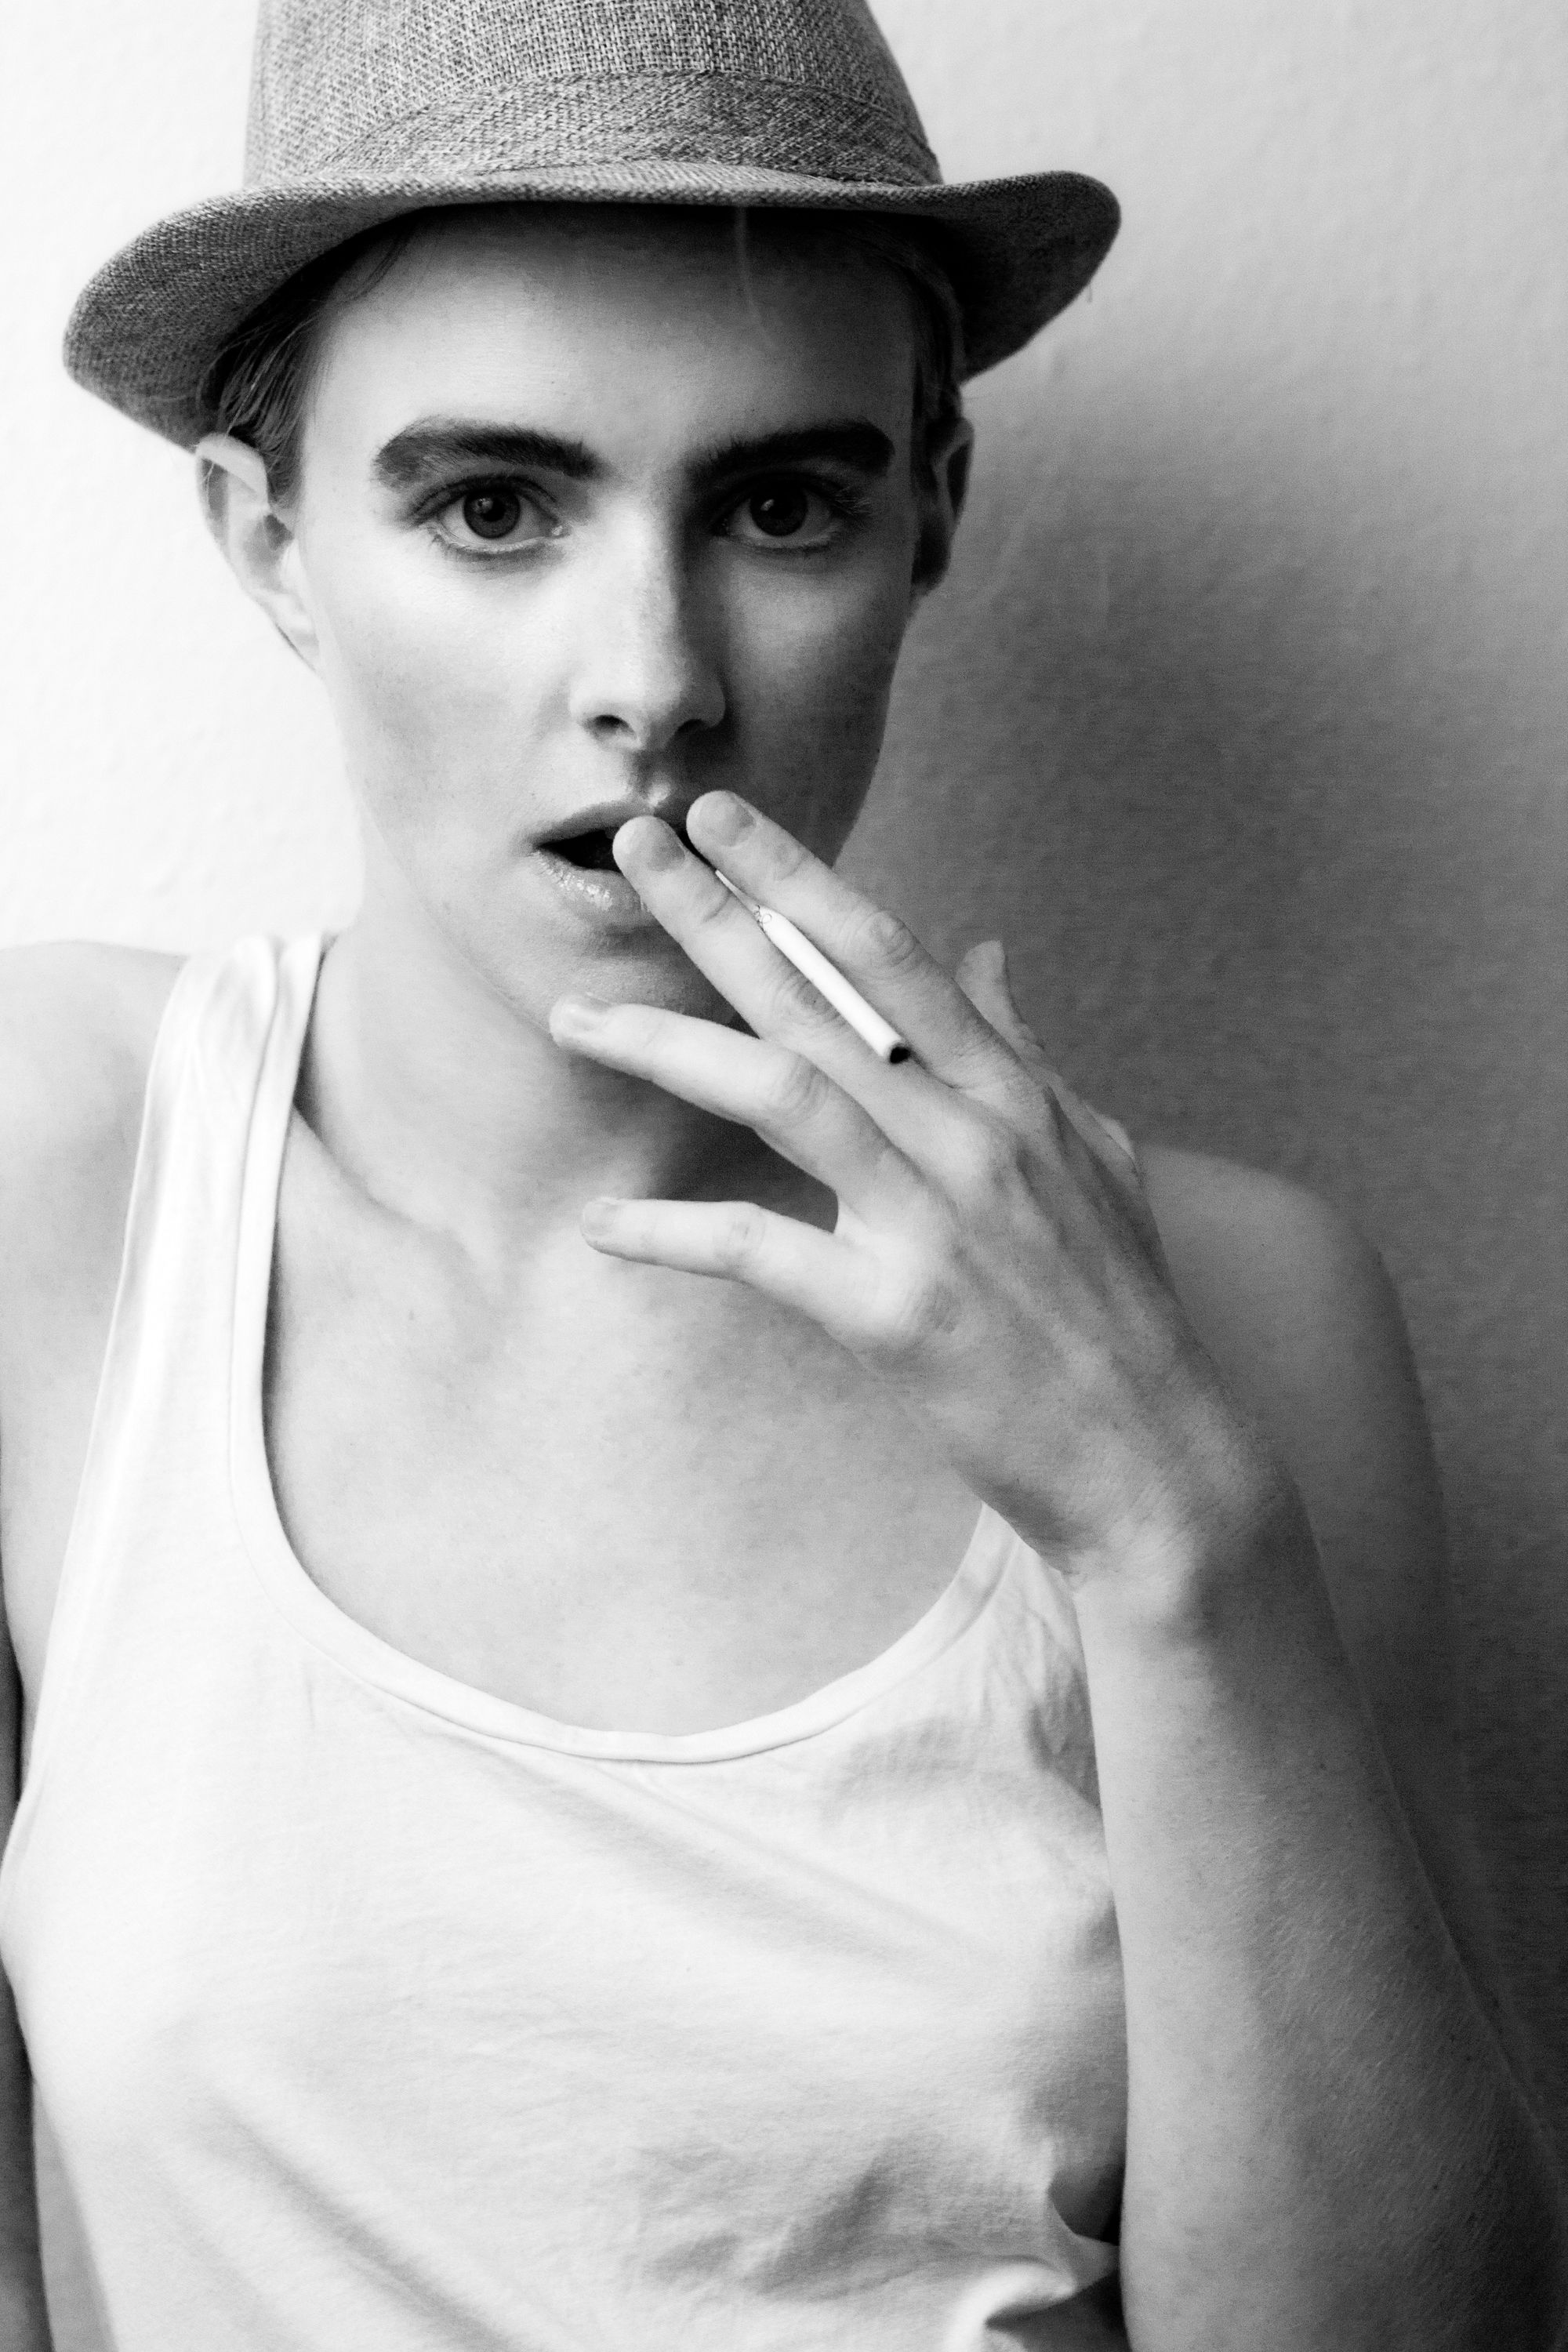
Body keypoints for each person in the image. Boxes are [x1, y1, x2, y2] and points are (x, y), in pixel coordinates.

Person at [1, 0, 1563, 2346]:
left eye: (779, 506)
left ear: (934, 508)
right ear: (269, 537)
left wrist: (1165, 1530)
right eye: (494, 506)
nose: (654, 674)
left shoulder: (1240, 1303)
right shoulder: (60, 1173)